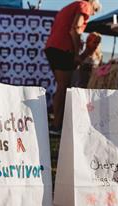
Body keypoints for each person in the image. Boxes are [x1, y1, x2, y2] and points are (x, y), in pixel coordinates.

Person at [44, 0, 102, 135]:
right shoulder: (85, 6)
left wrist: (86, 52)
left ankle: (57, 124)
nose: (91, 14)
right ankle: (57, 125)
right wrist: (76, 53)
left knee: (63, 86)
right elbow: (75, 28)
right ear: (93, 4)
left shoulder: (69, 7)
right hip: (62, 47)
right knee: (63, 87)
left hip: (53, 47)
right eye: (95, 11)